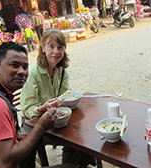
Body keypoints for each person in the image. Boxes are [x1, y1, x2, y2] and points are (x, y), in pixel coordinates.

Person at [0, 42, 75, 168]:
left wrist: (14, 135)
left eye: (25, 67)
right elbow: (6, 162)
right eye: (14, 65)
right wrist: (40, 127)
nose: (21, 72)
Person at [20, 30, 96, 168]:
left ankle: (71, 164)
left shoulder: (61, 71)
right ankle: (72, 165)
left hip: (54, 120)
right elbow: (28, 108)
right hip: (34, 126)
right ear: (42, 48)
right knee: (76, 139)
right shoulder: (32, 73)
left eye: (60, 47)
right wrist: (41, 108)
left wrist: (68, 101)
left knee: (83, 133)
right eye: (51, 46)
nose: (56, 51)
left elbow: (63, 98)